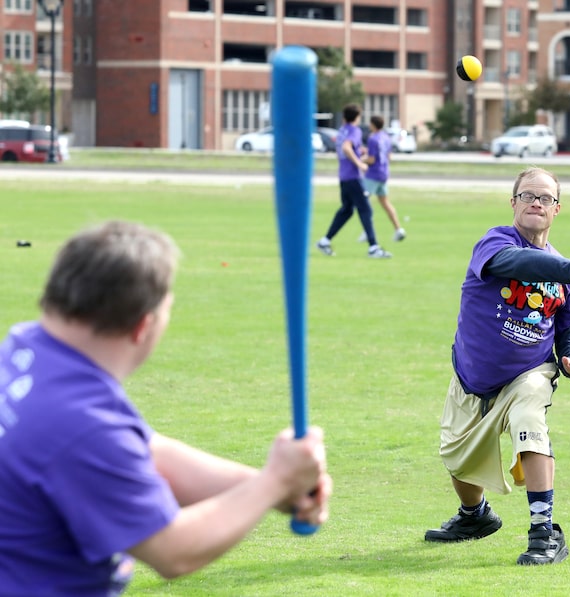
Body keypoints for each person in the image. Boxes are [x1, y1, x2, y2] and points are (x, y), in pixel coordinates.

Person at [0, 220, 332, 595]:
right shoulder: (80, 422)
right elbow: (172, 550)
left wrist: (276, 488)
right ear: (143, 326)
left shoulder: (27, 347)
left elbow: (149, 454)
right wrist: (276, 482)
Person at [424, 167, 570, 566]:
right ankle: (474, 517)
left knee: (530, 425)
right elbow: (520, 263)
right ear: (513, 203)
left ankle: (544, 533)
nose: (536, 202)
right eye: (528, 195)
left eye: (545, 198)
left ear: (557, 210)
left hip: (529, 373)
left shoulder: (562, 270)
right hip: (473, 378)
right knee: (458, 460)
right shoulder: (495, 243)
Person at [316, 103, 392, 258]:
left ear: (344, 116)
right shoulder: (354, 131)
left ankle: (325, 241)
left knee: (347, 210)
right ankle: (373, 247)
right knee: (366, 209)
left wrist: (359, 152)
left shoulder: (342, 131)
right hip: (353, 177)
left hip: (344, 176)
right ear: (357, 117)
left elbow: (346, 147)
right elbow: (346, 147)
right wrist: (359, 163)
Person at [359, 115, 406, 242]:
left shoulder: (373, 139)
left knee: (364, 203)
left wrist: (360, 160)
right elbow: (389, 157)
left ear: (373, 125)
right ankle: (398, 229)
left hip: (373, 174)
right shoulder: (386, 137)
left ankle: (367, 231)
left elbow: (371, 159)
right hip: (384, 173)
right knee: (385, 202)